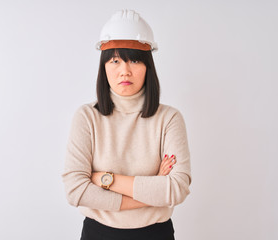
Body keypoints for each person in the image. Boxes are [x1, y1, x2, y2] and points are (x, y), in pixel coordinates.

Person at [62, 9, 192, 240]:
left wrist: (104, 179)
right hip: (98, 233)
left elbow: (176, 189)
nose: (125, 70)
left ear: (147, 66)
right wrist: (152, 190)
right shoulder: (86, 117)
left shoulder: (169, 119)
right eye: (115, 60)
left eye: (134, 59)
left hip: (156, 234)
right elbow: (75, 190)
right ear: (104, 66)